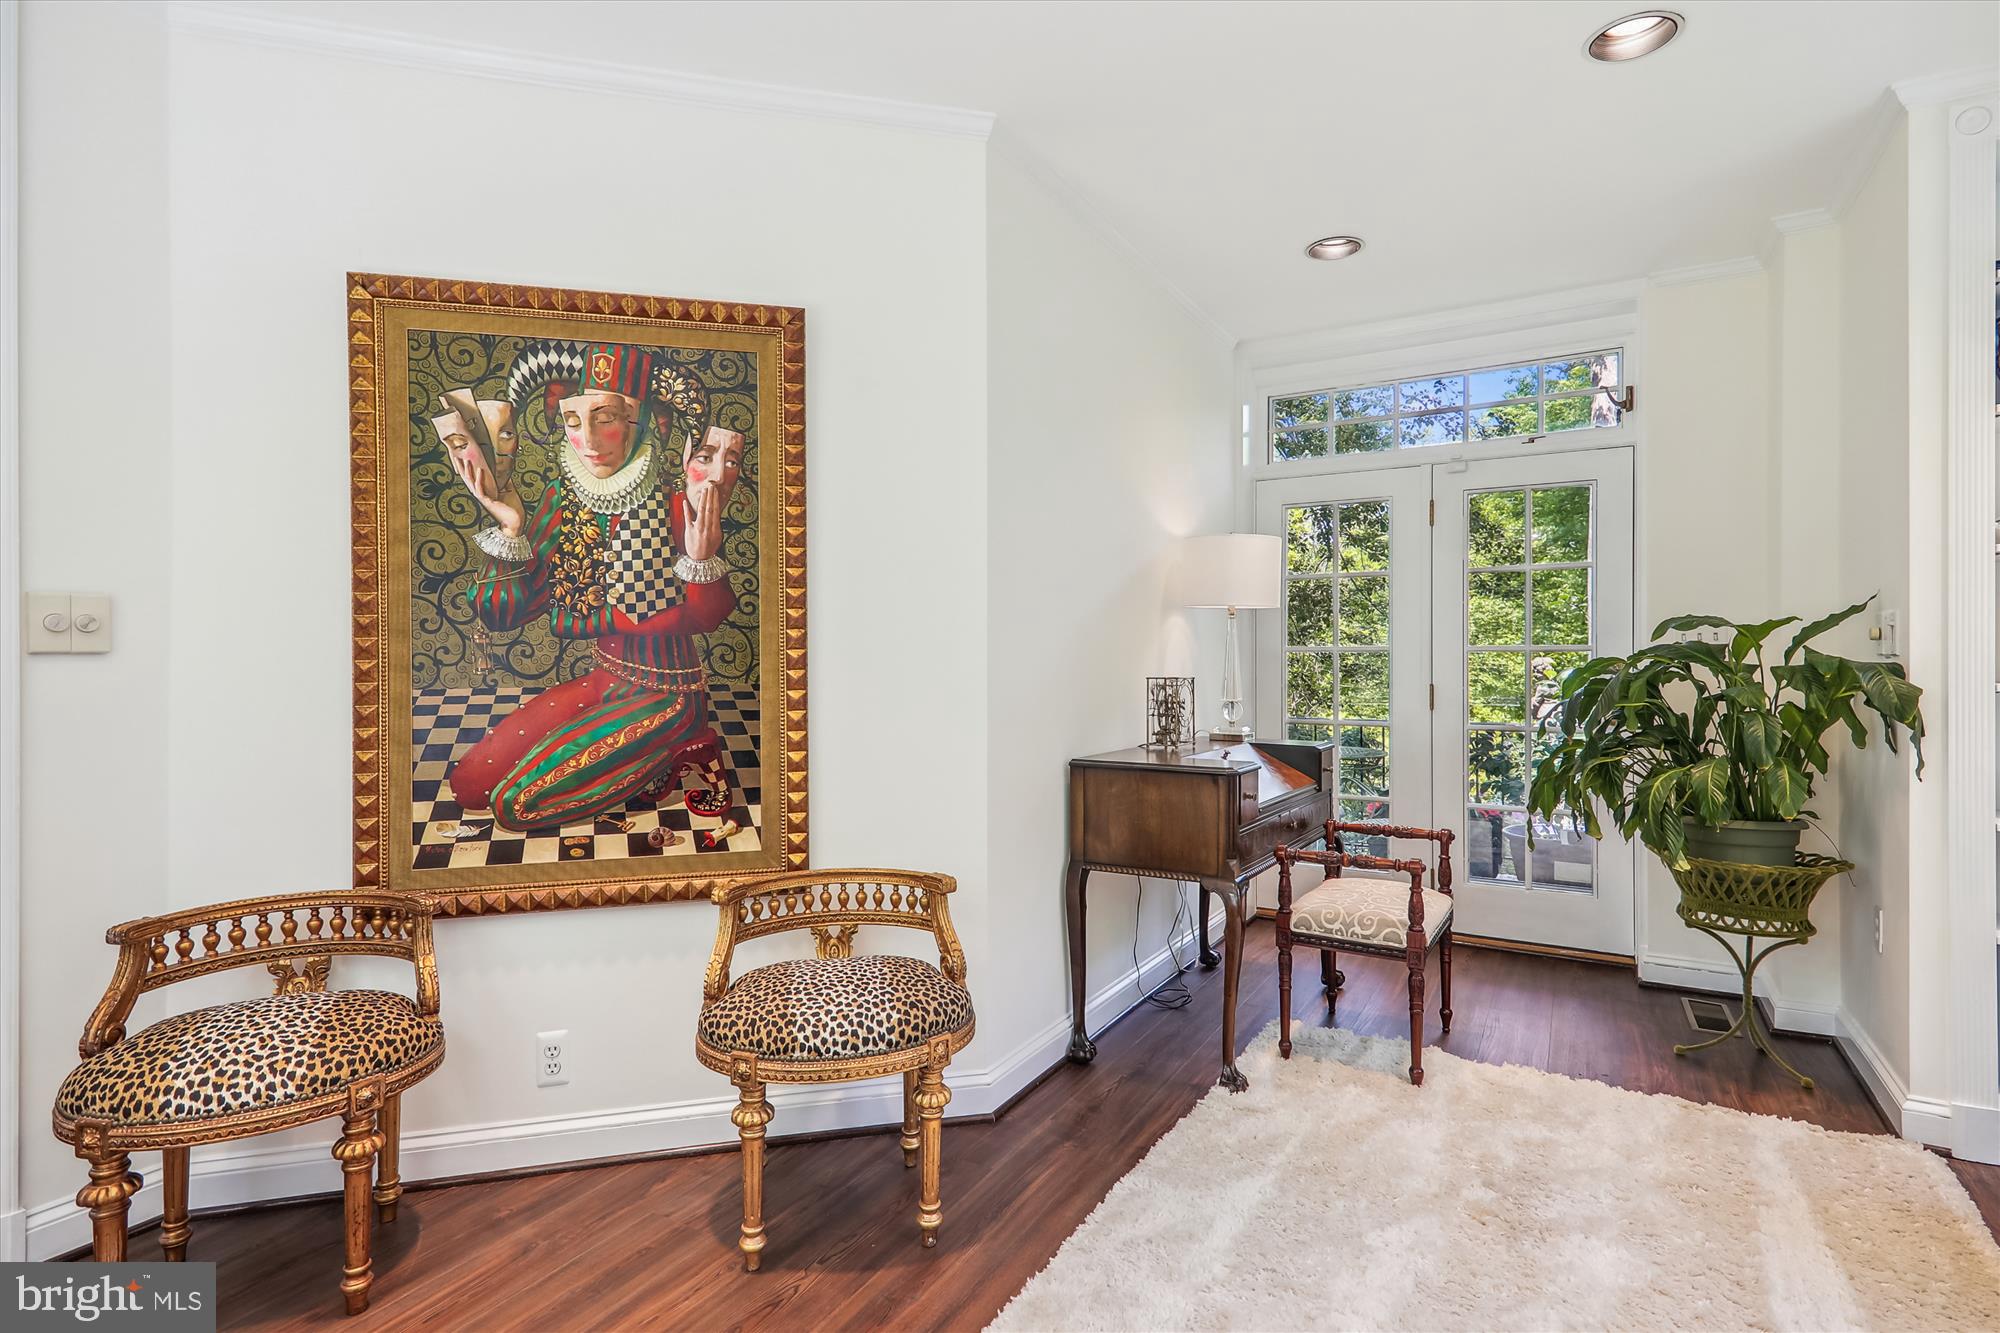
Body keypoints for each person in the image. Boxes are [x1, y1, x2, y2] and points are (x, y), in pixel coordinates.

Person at [442, 339, 748, 839]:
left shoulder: (678, 502)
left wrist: (701, 558)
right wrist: (511, 530)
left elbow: (708, 618)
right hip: (607, 679)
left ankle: (667, 752)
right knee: (469, 784)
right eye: (572, 421)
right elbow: (504, 616)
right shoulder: (564, 502)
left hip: (669, 694)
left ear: (646, 424)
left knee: (514, 806)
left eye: (604, 418)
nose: (588, 439)